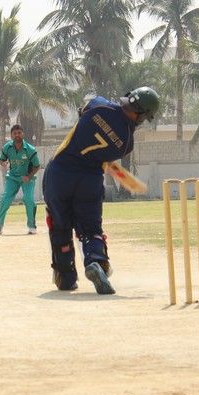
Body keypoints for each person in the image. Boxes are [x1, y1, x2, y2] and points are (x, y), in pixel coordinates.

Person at [42, 86, 159, 294]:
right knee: (90, 229)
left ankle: (65, 277)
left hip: (60, 172)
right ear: (142, 115)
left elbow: (83, 111)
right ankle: (95, 261)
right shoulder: (126, 144)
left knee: (59, 225)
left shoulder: (99, 105)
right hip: (89, 180)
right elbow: (106, 161)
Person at [0, 124, 40, 235]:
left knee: (28, 199)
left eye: (19, 133)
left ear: (23, 134)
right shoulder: (7, 147)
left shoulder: (30, 149)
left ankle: (32, 227)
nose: (17, 135)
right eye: (15, 133)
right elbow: (1, 159)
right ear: (11, 135)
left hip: (27, 178)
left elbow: (37, 166)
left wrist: (29, 176)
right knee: (5, 199)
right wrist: (3, 163)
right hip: (12, 177)